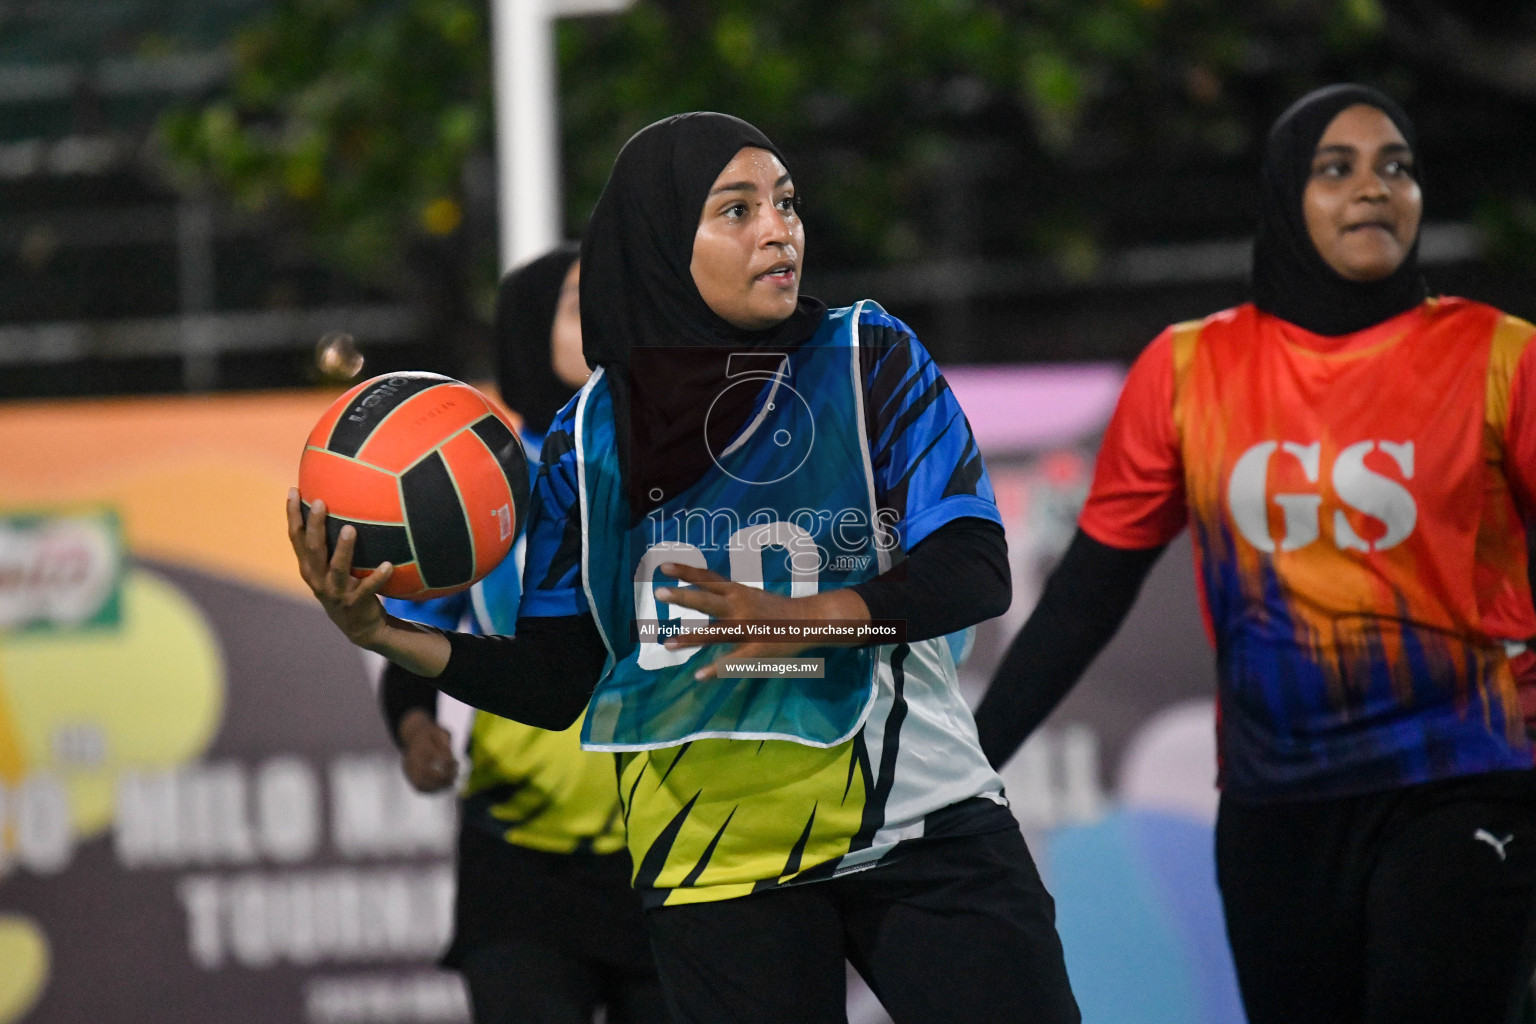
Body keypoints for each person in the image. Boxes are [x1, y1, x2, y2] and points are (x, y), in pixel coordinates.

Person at [290, 111, 1080, 1024]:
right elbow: (558, 683)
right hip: (713, 866)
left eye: (784, 203)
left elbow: (977, 569)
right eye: (736, 211)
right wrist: (384, 632)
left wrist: (809, 614)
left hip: (920, 823)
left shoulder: (870, 357)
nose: (779, 229)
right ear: (663, 244)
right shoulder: (587, 440)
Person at [975, 83, 1536, 1024]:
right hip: (1277, 809)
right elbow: (1086, 597)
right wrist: (976, 758)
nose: (1375, 189)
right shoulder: (1191, 371)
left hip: (1463, 780)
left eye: (1397, 167)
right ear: (1284, 193)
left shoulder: (1501, 358)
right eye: (1337, 168)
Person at [379, 245, 669, 1024]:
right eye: (581, 308)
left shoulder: (682, 465)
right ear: (526, 333)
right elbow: (415, 647)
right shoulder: (479, 486)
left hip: (669, 847)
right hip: (519, 871)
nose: (607, 324)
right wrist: (415, 730)